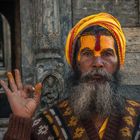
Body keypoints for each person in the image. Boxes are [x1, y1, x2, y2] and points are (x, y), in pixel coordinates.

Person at [0, 12, 140, 140]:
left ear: (119, 62)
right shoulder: (48, 124)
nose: (98, 63)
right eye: (87, 54)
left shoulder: (137, 120)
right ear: (75, 64)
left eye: (107, 54)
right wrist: (20, 121)